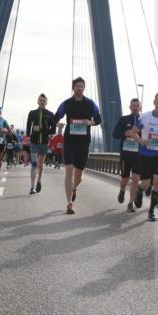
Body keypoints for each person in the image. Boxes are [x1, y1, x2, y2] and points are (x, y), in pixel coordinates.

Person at [54, 77, 101, 214]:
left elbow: (98, 119)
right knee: (69, 170)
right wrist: (57, 123)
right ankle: (69, 203)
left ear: (84, 88)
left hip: (84, 142)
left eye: (82, 86)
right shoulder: (66, 103)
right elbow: (56, 116)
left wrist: (90, 122)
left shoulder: (91, 104)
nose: (79, 88)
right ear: (73, 88)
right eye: (77, 86)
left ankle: (74, 187)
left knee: (79, 176)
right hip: (69, 141)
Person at [131, 92, 158, 222]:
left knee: (157, 182)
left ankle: (151, 211)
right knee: (145, 183)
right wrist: (140, 141)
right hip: (145, 154)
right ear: (154, 103)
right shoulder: (144, 117)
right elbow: (133, 132)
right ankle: (139, 191)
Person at [112, 97, 142, 208]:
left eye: (137, 106)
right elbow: (114, 134)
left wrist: (140, 137)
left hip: (138, 156)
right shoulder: (123, 120)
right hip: (125, 155)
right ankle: (122, 190)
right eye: (133, 105)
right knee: (124, 179)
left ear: (140, 107)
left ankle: (130, 203)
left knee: (135, 180)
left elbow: (147, 137)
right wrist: (125, 133)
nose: (135, 107)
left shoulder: (143, 121)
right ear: (130, 107)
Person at [26, 94, 56, 194]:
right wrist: (27, 135)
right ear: (37, 102)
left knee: (40, 165)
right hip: (34, 141)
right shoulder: (32, 113)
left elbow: (53, 130)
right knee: (34, 164)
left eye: (44, 100)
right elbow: (28, 124)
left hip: (44, 142)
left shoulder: (50, 114)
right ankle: (32, 187)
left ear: (46, 102)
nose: (42, 102)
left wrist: (43, 129)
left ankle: (39, 180)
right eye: (40, 100)